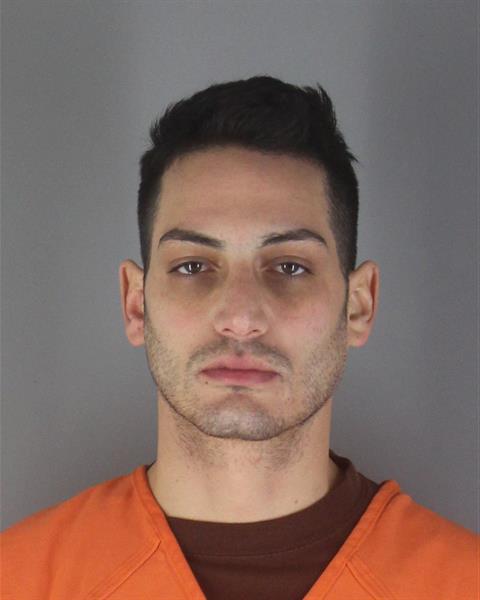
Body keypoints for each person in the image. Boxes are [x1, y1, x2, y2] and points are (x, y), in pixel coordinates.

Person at [1, 76, 477, 600]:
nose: (241, 318)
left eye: (290, 266)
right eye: (193, 266)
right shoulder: (19, 579)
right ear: (136, 304)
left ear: (358, 305)